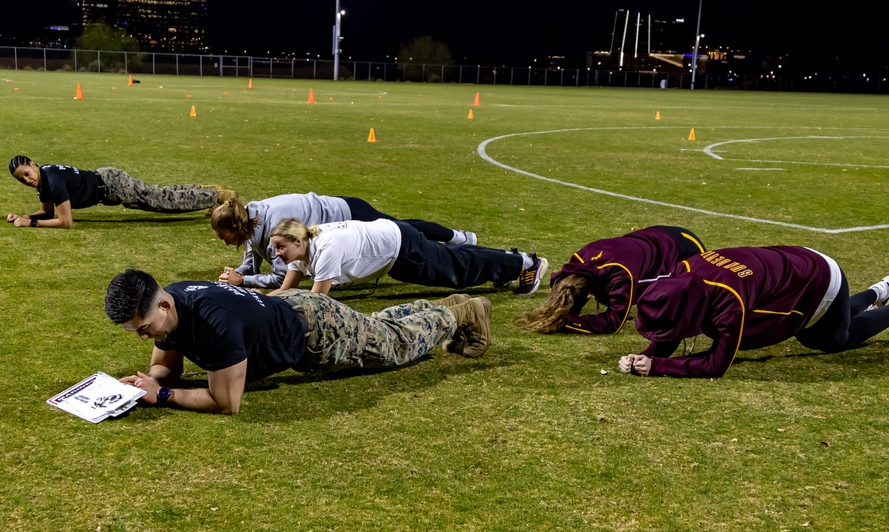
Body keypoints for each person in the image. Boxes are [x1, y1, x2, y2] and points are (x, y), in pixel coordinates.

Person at [104, 269, 493, 414]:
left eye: (143, 327)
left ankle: (464, 313)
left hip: (316, 331)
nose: (142, 337)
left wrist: (166, 397)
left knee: (394, 346)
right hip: (290, 309)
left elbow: (226, 402)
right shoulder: (172, 307)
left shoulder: (213, 324)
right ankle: (446, 307)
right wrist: (147, 384)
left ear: (165, 305)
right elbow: (168, 366)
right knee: (376, 327)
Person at [618, 245, 889, 378]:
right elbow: (674, 319)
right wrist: (643, 356)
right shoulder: (682, 273)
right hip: (798, 260)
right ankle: (880, 291)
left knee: (833, 339)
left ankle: (881, 296)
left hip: (818, 278)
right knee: (819, 327)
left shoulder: (729, 303)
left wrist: (658, 365)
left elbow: (716, 365)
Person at [211, 190, 479, 289]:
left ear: (236, 226)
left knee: (406, 229)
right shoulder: (250, 216)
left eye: (225, 237)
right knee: (406, 227)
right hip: (341, 211)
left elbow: (284, 279)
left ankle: (459, 238)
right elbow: (251, 247)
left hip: (349, 213)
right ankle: (459, 240)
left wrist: (243, 280)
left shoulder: (275, 232)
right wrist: (241, 272)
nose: (225, 243)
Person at [267, 218, 549, 297]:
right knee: (455, 258)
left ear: (297, 240)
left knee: (459, 271)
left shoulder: (327, 249)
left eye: (280, 247)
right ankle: (507, 263)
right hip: (395, 244)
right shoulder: (304, 244)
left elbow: (317, 300)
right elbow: (287, 289)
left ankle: (525, 264)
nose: (277, 254)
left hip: (402, 251)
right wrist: (264, 297)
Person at [521, 226, 706, 334]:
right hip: (655, 232)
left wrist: (564, 322)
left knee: (679, 306)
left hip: (686, 248)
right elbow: (563, 287)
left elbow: (613, 323)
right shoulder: (576, 261)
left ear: (590, 296)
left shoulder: (620, 275)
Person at [5, 156, 222, 229]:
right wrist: (24, 217)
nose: (27, 180)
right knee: (158, 194)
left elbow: (65, 222)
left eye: (26, 173)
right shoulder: (45, 178)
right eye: (21, 179)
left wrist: (31, 224)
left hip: (113, 185)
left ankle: (217, 197)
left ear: (33, 164)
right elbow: (48, 214)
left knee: (160, 200)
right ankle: (206, 192)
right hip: (107, 182)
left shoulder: (53, 182)